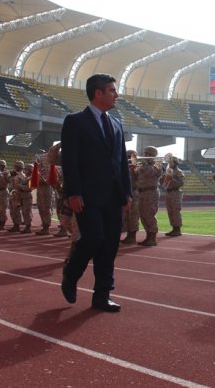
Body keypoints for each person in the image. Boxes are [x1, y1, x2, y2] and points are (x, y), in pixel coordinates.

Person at [60, 73, 131, 312]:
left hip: (113, 195)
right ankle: (71, 273)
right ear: (98, 93)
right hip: (87, 195)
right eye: (112, 90)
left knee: (110, 245)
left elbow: (121, 162)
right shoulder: (75, 121)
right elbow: (70, 161)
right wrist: (73, 193)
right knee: (93, 238)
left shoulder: (117, 123)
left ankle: (102, 295)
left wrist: (126, 193)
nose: (116, 95)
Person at [135, 146, 163, 246]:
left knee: (149, 215)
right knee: (143, 216)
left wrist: (144, 164)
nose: (145, 156)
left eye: (148, 154)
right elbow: (135, 176)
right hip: (142, 192)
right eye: (145, 154)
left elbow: (149, 172)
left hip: (151, 193)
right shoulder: (141, 165)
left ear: (153, 155)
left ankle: (153, 238)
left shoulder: (157, 165)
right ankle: (148, 236)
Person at [120, 150, 141, 244]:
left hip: (134, 192)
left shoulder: (138, 166)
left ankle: (132, 236)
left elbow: (139, 178)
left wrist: (134, 168)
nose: (128, 158)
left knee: (133, 215)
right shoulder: (124, 165)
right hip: (125, 193)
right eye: (127, 156)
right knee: (126, 215)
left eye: (130, 156)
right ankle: (129, 234)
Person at [163, 156, 185, 237]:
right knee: (170, 211)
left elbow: (181, 182)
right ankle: (173, 228)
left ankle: (177, 229)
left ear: (175, 163)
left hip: (175, 192)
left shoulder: (179, 171)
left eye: (171, 162)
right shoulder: (169, 171)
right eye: (169, 162)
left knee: (176, 211)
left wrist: (172, 179)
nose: (169, 163)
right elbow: (164, 183)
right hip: (169, 192)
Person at [7, 161, 25, 232]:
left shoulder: (22, 175)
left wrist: (17, 174)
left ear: (20, 167)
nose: (15, 168)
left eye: (16, 166)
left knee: (16, 210)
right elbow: (8, 181)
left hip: (18, 194)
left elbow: (23, 181)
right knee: (12, 210)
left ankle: (17, 225)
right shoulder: (13, 175)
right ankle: (15, 224)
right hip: (12, 194)